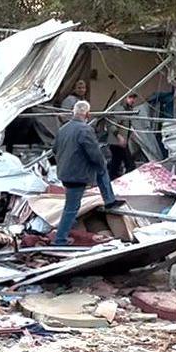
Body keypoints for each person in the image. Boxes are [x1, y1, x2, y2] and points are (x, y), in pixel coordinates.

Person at [52, 100, 118, 246]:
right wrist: (102, 163)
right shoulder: (85, 130)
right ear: (87, 114)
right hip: (77, 175)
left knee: (71, 206)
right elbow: (94, 154)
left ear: (74, 112)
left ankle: (109, 200)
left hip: (65, 172)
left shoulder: (63, 129)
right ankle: (60, 239)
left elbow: (54, 149)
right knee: (71, 208)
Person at [105, 92, 139, 180]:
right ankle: (125, 181)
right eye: (130, 97)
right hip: (117, 142)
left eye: (134, 98)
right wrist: (119, 137)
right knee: (129, 164)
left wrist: (131, 134)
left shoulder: (129, 110)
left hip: (122, 141)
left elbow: (127, 124)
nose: (132, 100)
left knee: (116, 164)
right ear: (124, 98)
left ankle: (111, 180)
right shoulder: (119, 109)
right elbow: (112, 125)